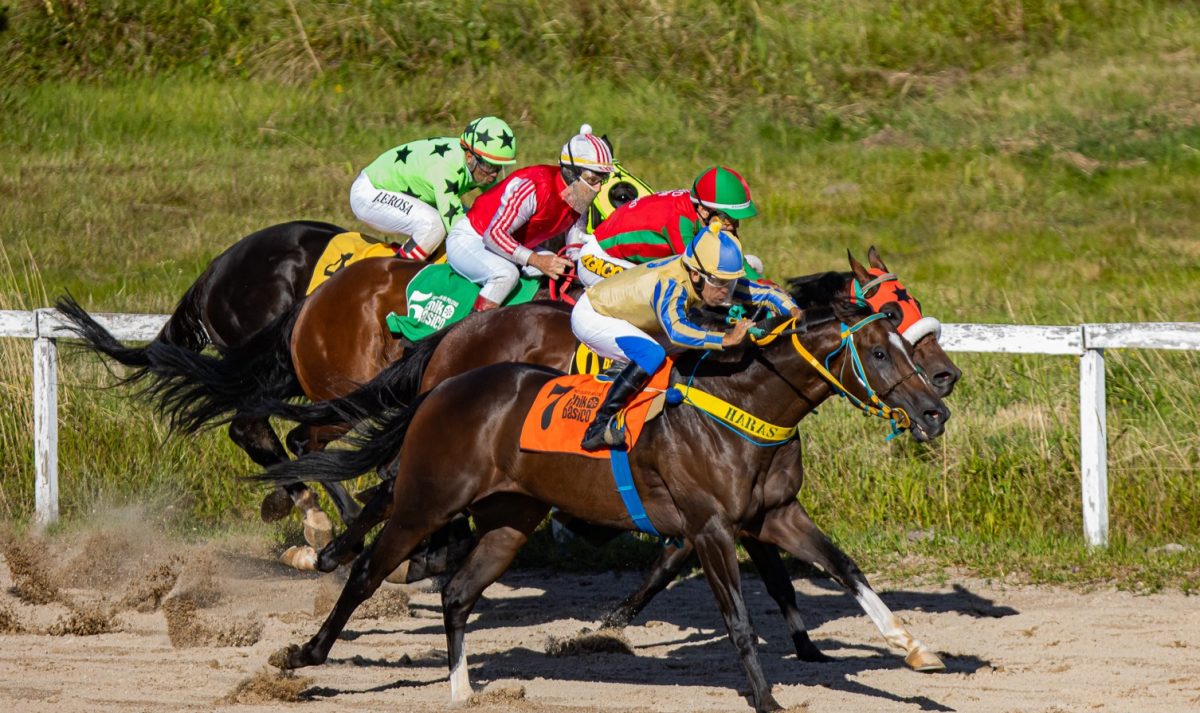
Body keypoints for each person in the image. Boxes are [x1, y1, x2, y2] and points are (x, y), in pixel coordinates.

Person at [571, 223, 803, 450]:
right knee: (652, 354)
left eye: (730, 283)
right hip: (594, 314)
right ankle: (600, 425)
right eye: (720, 283)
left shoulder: (706, 273)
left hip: (631, 315)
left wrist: (791, 309)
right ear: (695, 275)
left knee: (694, 340)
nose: (726, 292)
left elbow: (763, 292)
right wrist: (726, 339)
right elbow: (677, 332)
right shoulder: (671, 283)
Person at [446, 124, 615, 312]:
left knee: (562, 267)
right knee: (505, 274)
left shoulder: (580, 196)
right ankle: (472, 330)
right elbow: (493, 235)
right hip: (472, 237)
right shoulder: (534, 187)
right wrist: (536, 260)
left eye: (603, 179)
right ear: (571, 172)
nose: (598, 188)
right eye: (593, 179)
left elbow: (573, 251)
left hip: (512, 243)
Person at [349, 116, 518, 260]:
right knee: (435, 226)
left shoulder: (478, 164)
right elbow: (456, 228)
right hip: (369, 193)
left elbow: (498, 207)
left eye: (499, 167)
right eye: (489, 166)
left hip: (396, 191)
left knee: (473, 219)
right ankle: (398, 274)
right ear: (469, 157)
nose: (494, 175)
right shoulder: (447, 169)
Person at [576, 165, 764, 287]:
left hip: (630, 260)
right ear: (704, 211)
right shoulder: (679, 220)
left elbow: (739, 262)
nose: (733, 225)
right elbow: (698, 271)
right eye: (727, 218)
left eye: (736, 220)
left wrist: (765, 285)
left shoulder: (703, 210)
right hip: (597, 258)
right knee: (658, 290)